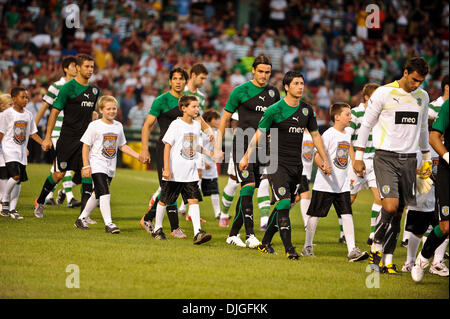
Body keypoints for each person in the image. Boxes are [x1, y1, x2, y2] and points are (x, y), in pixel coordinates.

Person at [240, 71, 330, 259]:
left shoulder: (307, 110)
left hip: (296, 166)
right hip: (276, 163)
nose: (300, 86)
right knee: (282, 203)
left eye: (302, 83)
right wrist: (246, 156)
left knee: (285, 204)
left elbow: (315, 136)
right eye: (296, 83)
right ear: (287, 87)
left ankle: (265, 243)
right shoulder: (274, 110)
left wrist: (324, 160)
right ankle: (290, 249)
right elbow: (259, 134)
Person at [354, 57, 431, 274]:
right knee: (389, 206)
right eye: (415, 79)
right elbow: (366, 124)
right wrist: (359, 156)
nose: (417, 85)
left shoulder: (422, 97)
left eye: (421, 81)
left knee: (398, 213)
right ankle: (376, 241)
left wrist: (425, 158)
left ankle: (387, 260)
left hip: (410, 160)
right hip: (385, 157)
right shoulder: (384, 93)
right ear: (405, 72)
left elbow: (424, 128)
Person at [213, 54, 281, 249]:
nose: (264, 75)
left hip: (264, 147)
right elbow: (224, 119)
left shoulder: (274, 93)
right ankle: (250, 234)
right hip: (242, 143)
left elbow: (274, 119)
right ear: (253, 70)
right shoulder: (240, 91)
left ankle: (233, 234)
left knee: (247, 190)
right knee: (249, 185)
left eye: (267, 72)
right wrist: (218, 147)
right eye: (260, 71)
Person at [139, 67, 213, 238]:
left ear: (186, 81)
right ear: (170, 81)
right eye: (175, 78)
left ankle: (150, 220)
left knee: (172, 189)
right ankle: (172, 228)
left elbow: (200, 121)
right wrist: (144, 149)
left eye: (181, 78)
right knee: (169, 189)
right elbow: (147, 126)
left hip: (185, 152)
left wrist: (209, 135)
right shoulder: (161, 100)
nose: (178, 81)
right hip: (166, 149)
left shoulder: (189, 102)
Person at [34, 54, 100, 219]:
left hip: (85, 140)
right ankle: (40, 201)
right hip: (67, 138)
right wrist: (48, 137)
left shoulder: (94, 90)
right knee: (58, 174)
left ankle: (83, 216)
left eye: (92, 67)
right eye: (87, 66)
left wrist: (95, 120)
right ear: (78, 68)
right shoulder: (67, 88)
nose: (90, 70)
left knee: (87, 173)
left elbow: (91, 112)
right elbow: (54, 112)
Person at [302, 102, 369, 262]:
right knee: (314, 215)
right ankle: (307, 246)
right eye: (347, 114)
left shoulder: (347, 134)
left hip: (342, 184)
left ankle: (352, 250)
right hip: (325, 183)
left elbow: (350, 150)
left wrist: (356, 164)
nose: (350, 117)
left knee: (347, 214)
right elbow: (317, 155)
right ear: (337, 117)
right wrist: (324, 166)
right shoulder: (329, 134)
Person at [74, 96, 140, 234]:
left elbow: (122, 146)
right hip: (97, 163)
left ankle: (81, 218)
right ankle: (109, 223)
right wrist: (86, 166)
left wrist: (138, 156)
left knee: (97, 194)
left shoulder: (118, 126)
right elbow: (86, 146)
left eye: (114, 108)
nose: (112, 111)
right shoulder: (94, 125)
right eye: (108, 108)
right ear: (101, 110)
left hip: (110, 166)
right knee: (104, 191)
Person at [152, 95, 212, 245]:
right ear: (184, 108)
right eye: (194, 106)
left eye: (198, 106)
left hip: (190, 171)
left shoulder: (197, 125)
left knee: (194, 200)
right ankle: (157, 228)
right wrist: (166, 168)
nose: (197, 109)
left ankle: (198, 231)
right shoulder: (176, 125)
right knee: (165, 200)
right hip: (175, 171)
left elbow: (193, 145)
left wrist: (210, 153)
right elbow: (167, 146)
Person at [34, 56, 82, 210]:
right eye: (74, 66)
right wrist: (33, 127)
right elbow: (44, 108)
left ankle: (47, 196)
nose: (76, 69)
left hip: (73, 132)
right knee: (64, 165)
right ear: (66, 69)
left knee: (59, 167)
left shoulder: (79, 86)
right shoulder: (57, 86)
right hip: (57, 131)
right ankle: (70, 197)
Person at [411, 98, 450, 282]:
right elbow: (434, 137)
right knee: (446, 226)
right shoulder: (448, 106)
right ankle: (423, 259)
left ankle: (439, 261)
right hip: (447, 170)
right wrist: (448, 157)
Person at [401, 146, 448, 277]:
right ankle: (409, 262)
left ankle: (437, 263)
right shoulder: (420, 147)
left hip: (441, 196)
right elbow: (407, 169)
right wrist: (419, 172)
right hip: (423, 196)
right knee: (418, 231)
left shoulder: (444, 147)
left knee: (445, 228)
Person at [346, 83, 382, 246]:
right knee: (350, 198)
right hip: (357, 161)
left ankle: (373, 234)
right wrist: (354, 161)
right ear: (367, 97)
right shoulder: (355, 113)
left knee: (379, 198)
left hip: (375, 161)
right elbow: (347, 140)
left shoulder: (381, 114)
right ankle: (342, 232)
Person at [0, 87, 43, 219]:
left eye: (26, 97)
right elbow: (1, 133)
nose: (25, 100)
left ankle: (12, 209)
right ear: (14, 99)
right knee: (16, 176)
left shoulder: (28, 114)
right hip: (9, 150)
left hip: (21, 152)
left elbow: (32, 133)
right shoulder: (6, 114)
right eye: (22, 97)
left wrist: (43, 143)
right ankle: (5, 199)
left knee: (18, 182)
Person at [218, 112, 240, 227]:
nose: (234, 123)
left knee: (259, 186)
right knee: (233, 183)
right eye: (234, 122)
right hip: (236, 154)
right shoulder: (231, 131)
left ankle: (263, 221)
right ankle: (224, 214)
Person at [0, 94, 14, 213]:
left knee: (8, 175)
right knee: (3, 175)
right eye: (10, 105)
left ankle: (4, 201)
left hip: (9, 151)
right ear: (2, 106)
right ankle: (3, 200)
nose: (12, 107)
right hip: (2, 152)